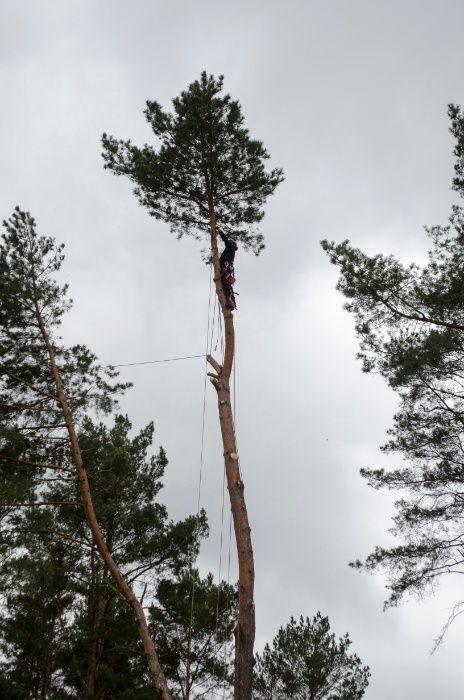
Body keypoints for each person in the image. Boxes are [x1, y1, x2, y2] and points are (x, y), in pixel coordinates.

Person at [216, 224, 238, 310]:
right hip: (225, 268)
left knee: (226, 284)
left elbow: (225, 240)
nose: (228, 243)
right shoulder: (229, 251)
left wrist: (219, 231)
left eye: (229, 242)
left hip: (226, 269)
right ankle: (230, 300)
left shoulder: (231, 248)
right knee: (224, 284)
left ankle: (231, 302)